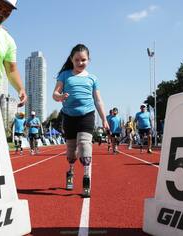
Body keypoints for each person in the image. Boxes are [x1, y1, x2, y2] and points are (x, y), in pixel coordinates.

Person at [52, 44, 109, 197]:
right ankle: (70, 171)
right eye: (77, 60)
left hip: (87, 115)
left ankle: (86, 177)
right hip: (69, 116)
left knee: (84, 145)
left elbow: (98, 100)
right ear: (72, 59)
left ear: (88, 60)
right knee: (71, 152)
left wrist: (104, 119)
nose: (80, 63)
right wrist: (60, 96)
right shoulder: (64, 75)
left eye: (83, 60)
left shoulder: (92, 78)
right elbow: (55, 93)